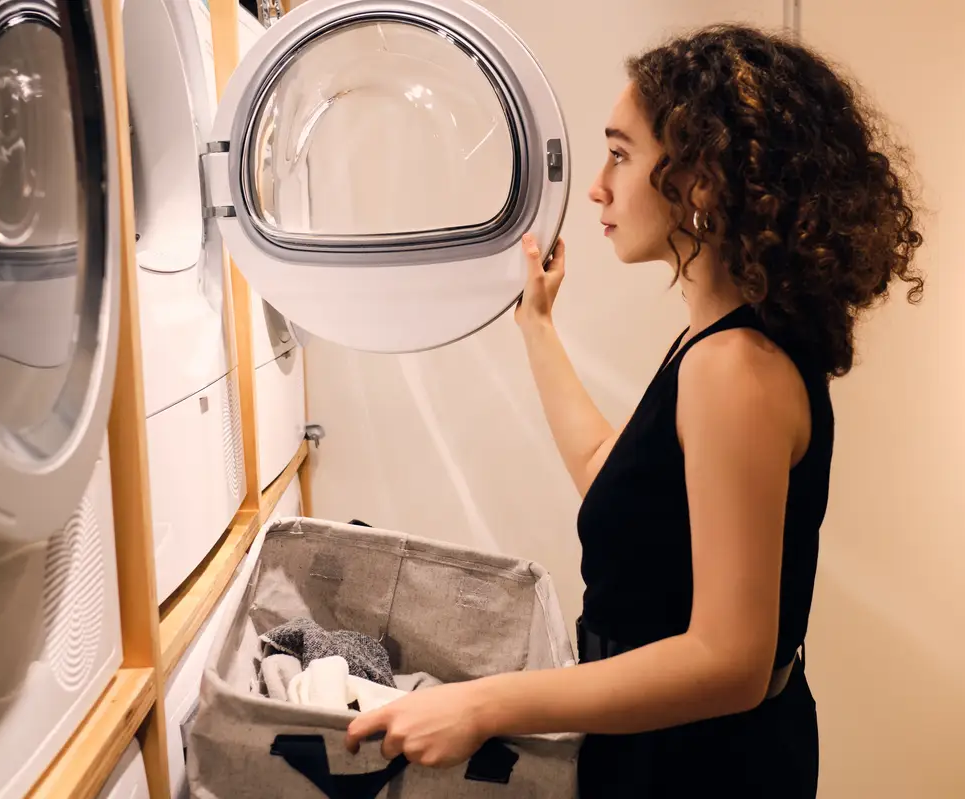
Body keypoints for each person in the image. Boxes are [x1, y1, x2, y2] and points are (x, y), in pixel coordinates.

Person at [345, 22, 924, 796]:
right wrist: (537, 328)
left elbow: (729, 661)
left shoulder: (735, 368)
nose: (597, 186)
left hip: (705, 767)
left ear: (704, 178)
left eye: (621, 153)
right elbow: (616, 482)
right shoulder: (713, 343)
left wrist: (484, 704)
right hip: (675, 749)